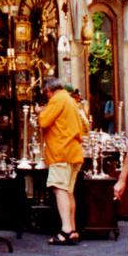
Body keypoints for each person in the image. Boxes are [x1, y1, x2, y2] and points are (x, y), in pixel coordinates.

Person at [36, 76, 85, 245]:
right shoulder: (70, 100)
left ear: (49, 90)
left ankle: (66, 230)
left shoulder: (57, 99)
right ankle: (72, 229)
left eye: (46, 94)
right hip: (73, 151)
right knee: (68, 191)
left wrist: (39, 111)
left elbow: (43, 121)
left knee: (59, 189)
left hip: (61, 152)